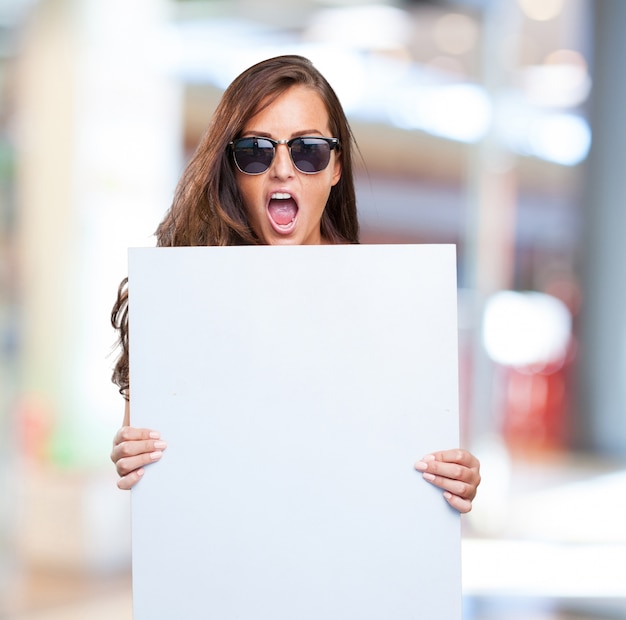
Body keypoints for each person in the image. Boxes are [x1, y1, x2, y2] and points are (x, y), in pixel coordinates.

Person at [110, 54, 480, 513]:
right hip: (228, 565)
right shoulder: (183, 300)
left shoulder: (393, 300)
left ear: (335, 167)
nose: (282, 169)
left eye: (307, 150)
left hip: (356, 563)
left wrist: (456, 477)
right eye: (256, 151)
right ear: (231, 168)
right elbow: (146, 449)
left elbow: (416, 451)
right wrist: (130, 455)